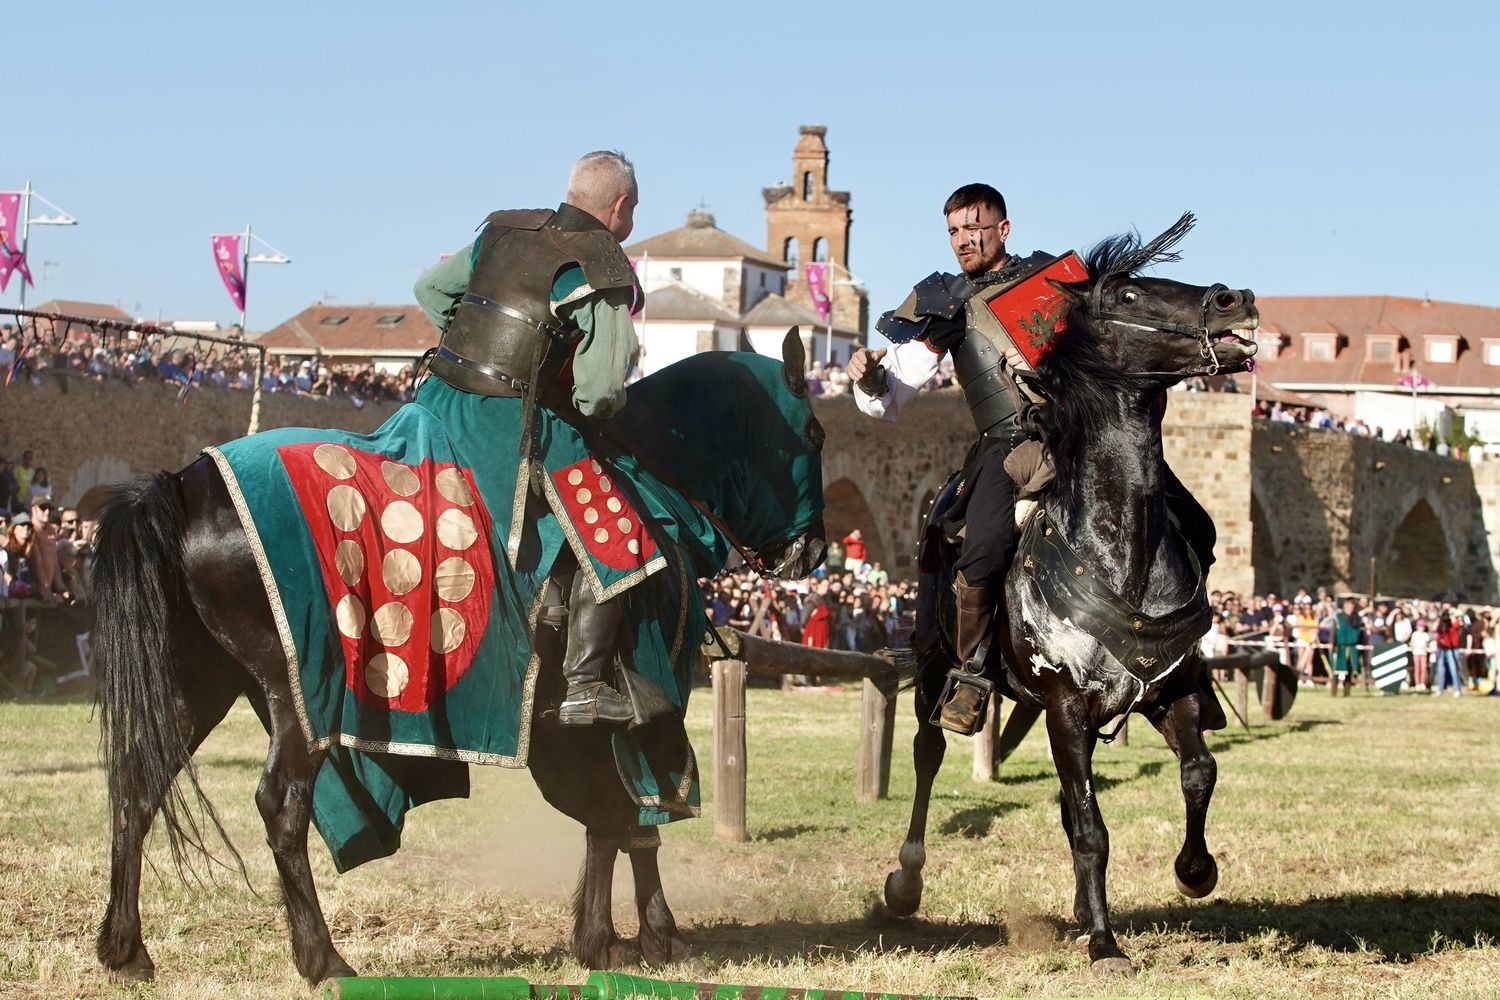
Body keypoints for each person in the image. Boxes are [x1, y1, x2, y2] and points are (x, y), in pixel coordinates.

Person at [849, 183, 1216, 679]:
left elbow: (1110, 355)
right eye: (954, 231)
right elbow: (898, 384)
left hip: (1083, 433)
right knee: (983, 549)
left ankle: (1185, 654)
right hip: (1006, 445)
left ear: (1002, 229)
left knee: (1193, 523)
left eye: (973, 228)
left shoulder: (1059, 283)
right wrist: (870, 375)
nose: (963, 240)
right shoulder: (948, 303)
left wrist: (1050, 363)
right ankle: (972, 673)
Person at [413, 150, 643, 726]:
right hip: (512, 424)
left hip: (436, 402)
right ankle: (585, 684)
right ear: (619, 208)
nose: (632, 220)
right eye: (633, 209)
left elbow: (430, 290)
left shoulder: (504, 229)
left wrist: (472, 341)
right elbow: (601, 394)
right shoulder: (604, 265)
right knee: (618, 535)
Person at [1331, 597, 1362, 697]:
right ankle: (1333, 693)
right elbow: (1334, 631)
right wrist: (1332, 642)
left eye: (1352, 606)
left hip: (1352, 647)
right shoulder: (1338, 617)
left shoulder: (1356, 619)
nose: (1350, 608)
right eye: (1348, 606)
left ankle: (1347, 693)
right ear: (1344, 606)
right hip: (1340, 646)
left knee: (1350, 670)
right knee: (1337, 670)